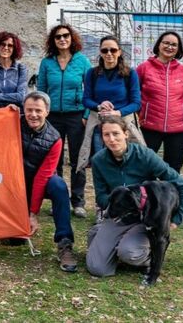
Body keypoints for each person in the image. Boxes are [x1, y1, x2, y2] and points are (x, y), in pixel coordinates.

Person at [86, 115, 183, 278]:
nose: (111, 139)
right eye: (106, 135)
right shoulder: (98, 160)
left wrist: (176, 220)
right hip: (119, 216)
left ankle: (152, 256)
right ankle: (103, 234)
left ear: (126, 134)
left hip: (146, 218)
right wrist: (117, 200)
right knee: (97, 268)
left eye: (116, 133)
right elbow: (101, 197)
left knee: (129, 253)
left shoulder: (145, 155)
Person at [36, 24, 92, 218]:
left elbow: (90, 89)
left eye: (66, 36)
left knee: (78, 160)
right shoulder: (47, 63)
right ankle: (57, 200)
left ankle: (78, 202)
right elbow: (41, 90)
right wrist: (43, 114)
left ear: (71, 38)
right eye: (58, 36)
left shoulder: (82, 61)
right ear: (53, 40)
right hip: (53, 117)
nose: (62, 39)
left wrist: (86, 114)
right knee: (54, 160)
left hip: (76, 115)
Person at [18, 91, 78, 272]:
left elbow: (43, 176)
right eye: (29, 110)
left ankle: (64, 243)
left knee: (58, 186)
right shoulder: (13, 123)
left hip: (38, 181)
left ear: (47, 112)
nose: (33, 115)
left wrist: (33, 213)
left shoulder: (55, 139)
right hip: (14, 181)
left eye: (38, 110)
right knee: (14, 241)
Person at [78, 36, 144, 171]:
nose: (109, 54)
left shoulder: (129, 73)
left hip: (122, 125)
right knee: (102, 163)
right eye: (105, 50)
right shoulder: (92, 73)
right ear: (100, 52)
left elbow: (136, 102)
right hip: (99, 125)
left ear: (119, 52)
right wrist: (99, 106)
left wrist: (118, 112)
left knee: (125, 163)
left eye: (113, 50)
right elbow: (86, 99)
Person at [137, 31, 183, 172]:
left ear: (178, 49)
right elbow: (135, 94)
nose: (169, 47)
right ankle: (146, 194)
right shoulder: (144, 68)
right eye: (166, 43)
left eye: (174, 45)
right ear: (159, 45)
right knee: (145, 167)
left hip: (178, 129)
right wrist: (144, 112)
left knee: (173, 170)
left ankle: (171, 194)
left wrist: (178, 110)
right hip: (149, 127)